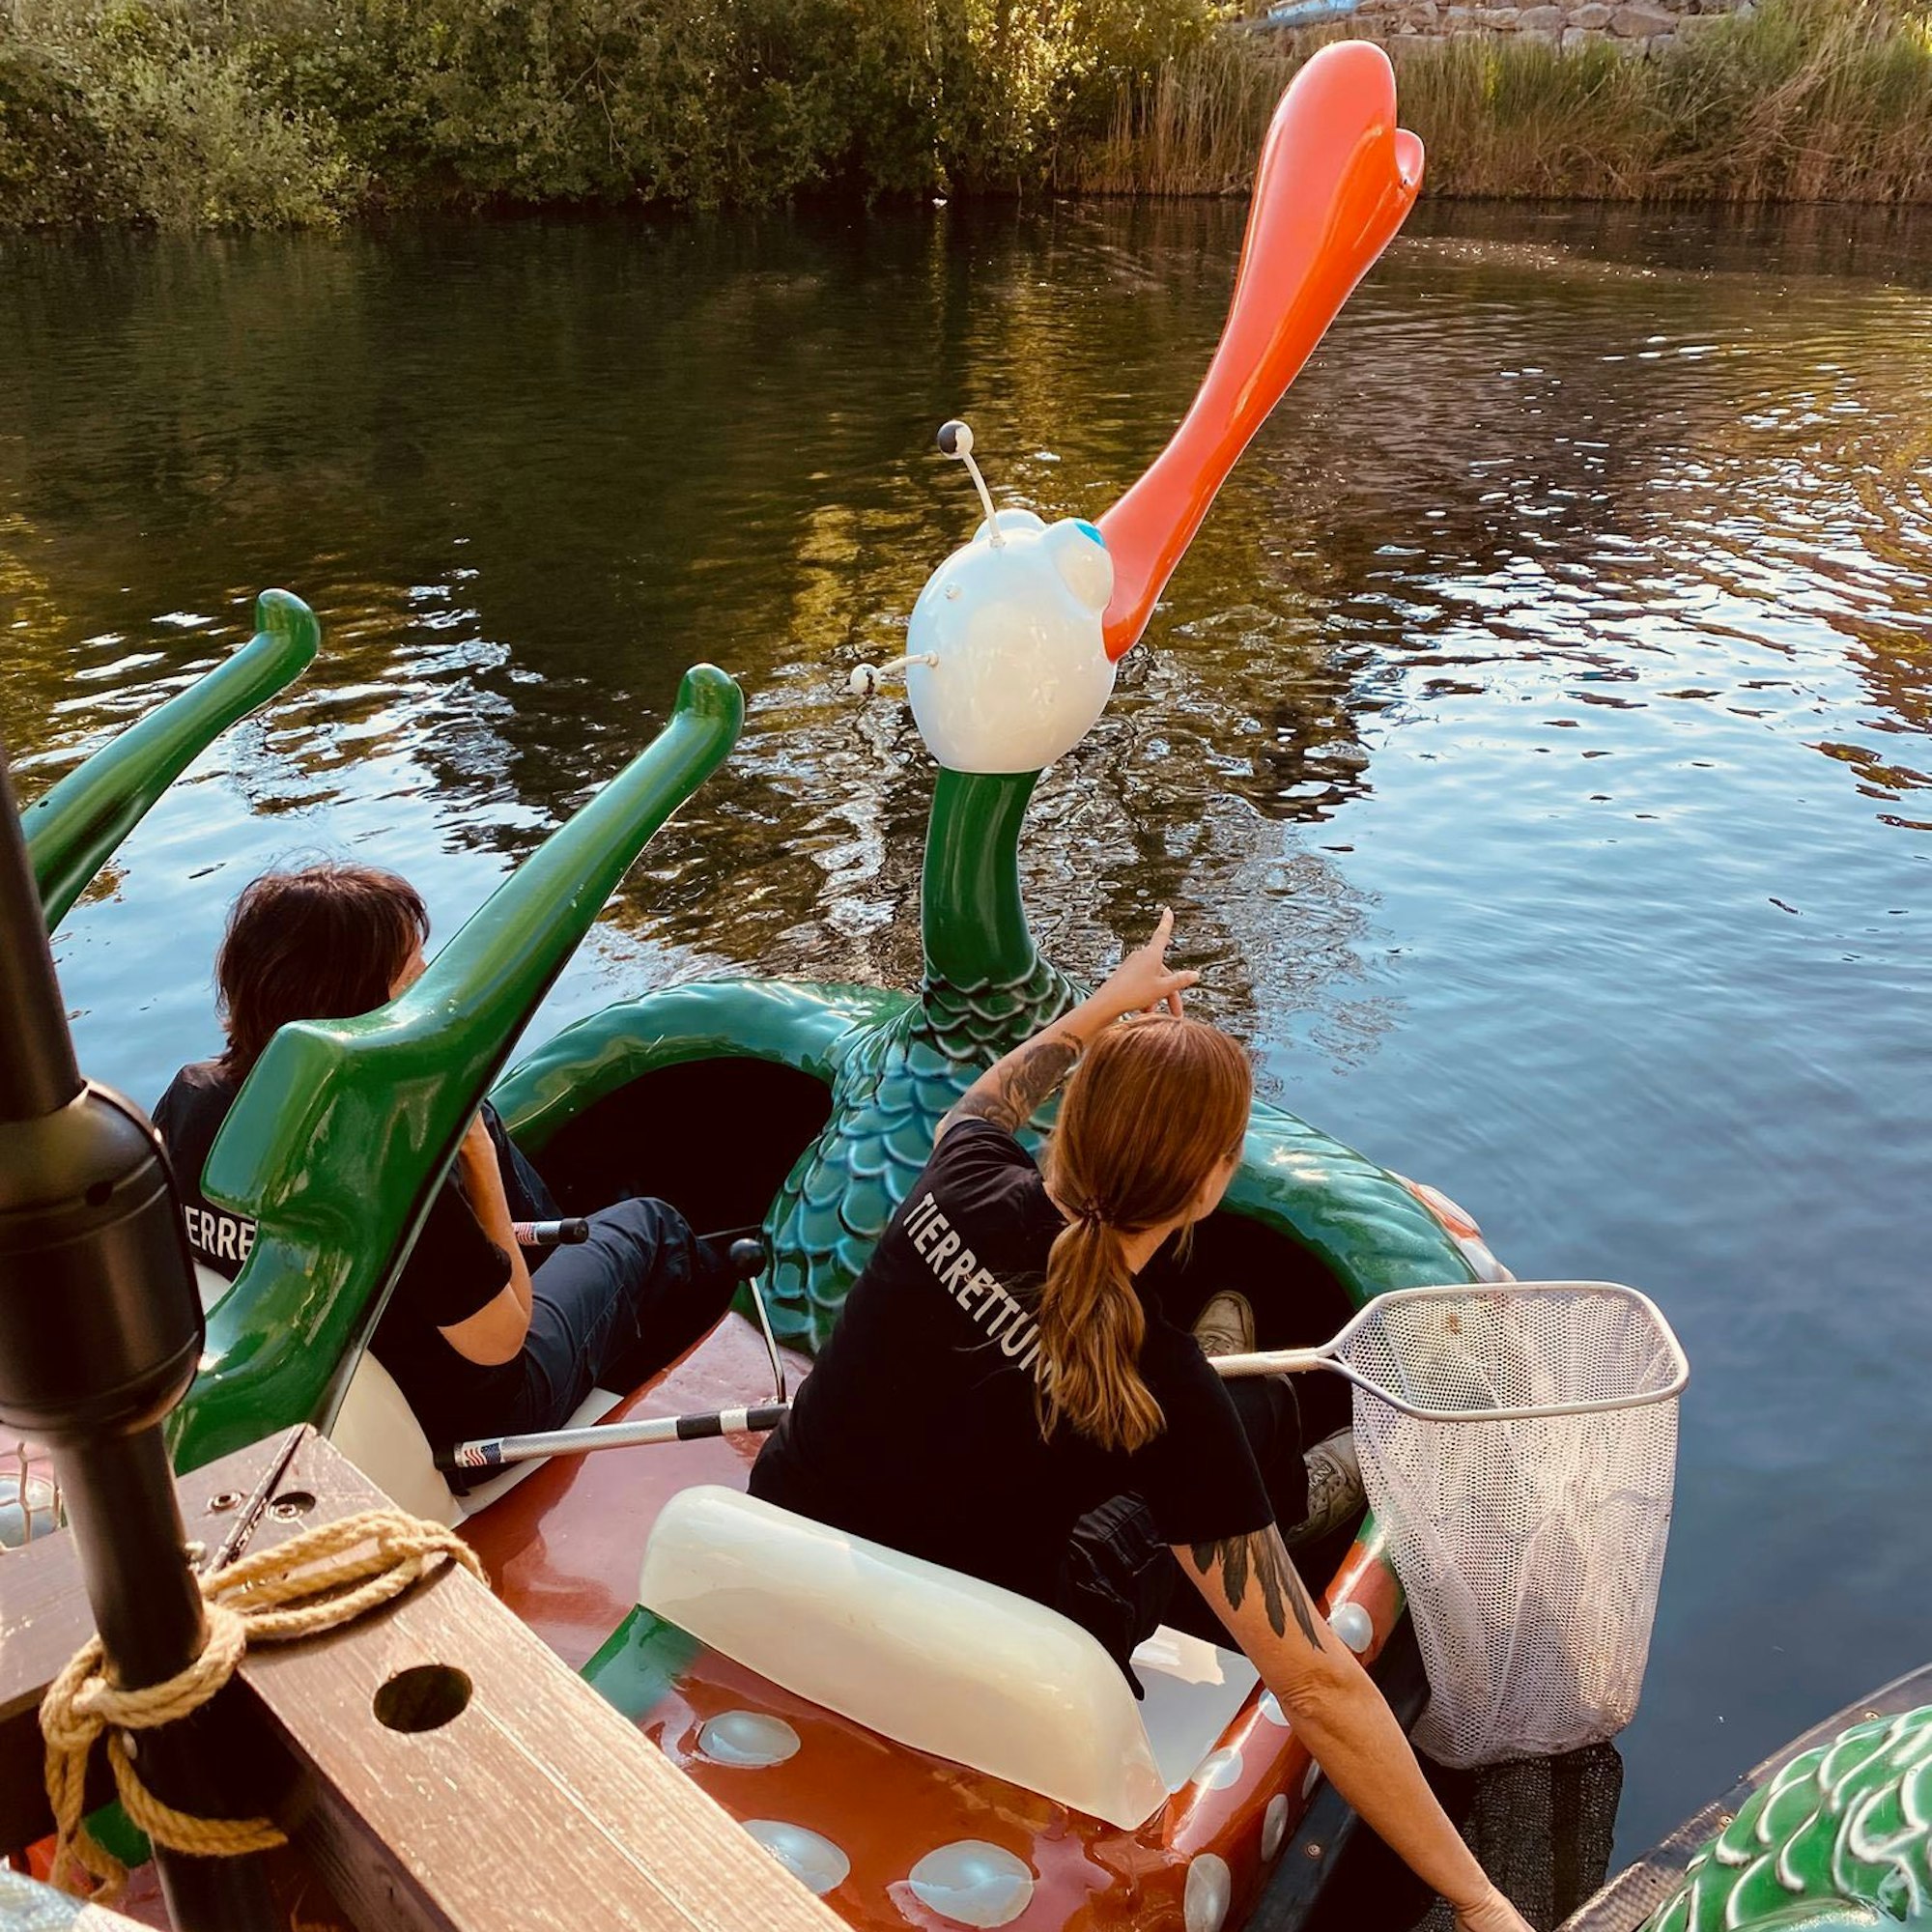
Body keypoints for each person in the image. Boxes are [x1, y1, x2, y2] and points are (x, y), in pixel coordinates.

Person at [751, 911, 1530, 1932]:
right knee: (1235, 1431)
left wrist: (1103, 1006)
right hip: (1003, 1650)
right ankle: (1332, 1468)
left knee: (1213, 1419)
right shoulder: (1163, 1389)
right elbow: (1311, 1678)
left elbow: (985, 1099)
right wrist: (1477, 1897)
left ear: (1064, 1130)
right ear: (1209, 1185)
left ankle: (1259, 1411)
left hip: (800, 1560)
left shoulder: (963, 1180)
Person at [154, 862, 743, 1457]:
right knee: (650, 1224)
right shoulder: (381, 1157)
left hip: (316, 1396)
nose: (431, 987)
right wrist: (478, 1158)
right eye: (412, 978)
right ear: (356, 1004)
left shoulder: (191, 1099)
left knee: (481, 1120)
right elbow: (501, 1341)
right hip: (474, 1419)